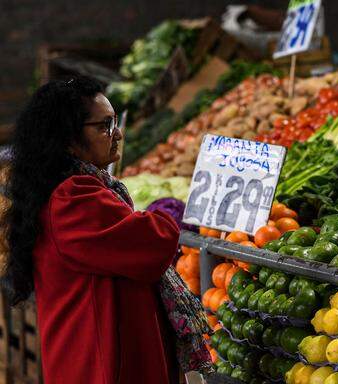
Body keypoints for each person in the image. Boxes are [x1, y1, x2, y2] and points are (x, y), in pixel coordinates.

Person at [1, 76, 212, 383]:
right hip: (101, 365)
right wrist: (167, 210)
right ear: (68, 138)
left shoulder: (64, 188)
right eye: (105, 126)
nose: (118, 134)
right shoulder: (73, 198)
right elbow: (152, 244)